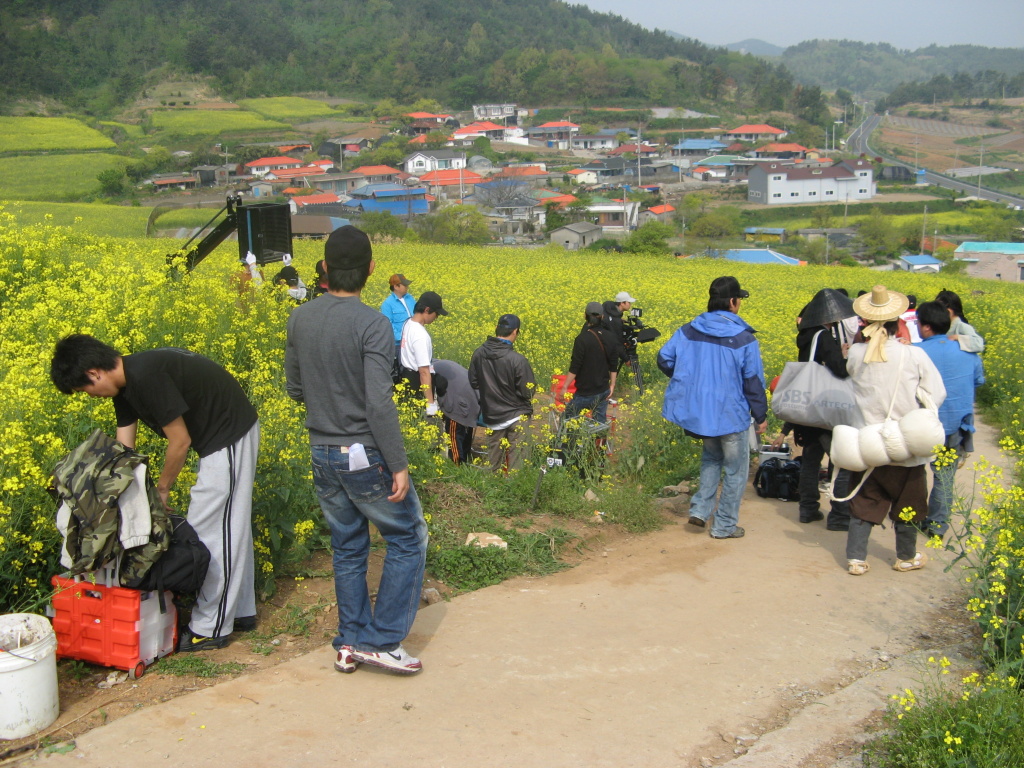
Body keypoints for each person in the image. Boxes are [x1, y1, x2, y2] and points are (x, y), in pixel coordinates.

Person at [49, 335, 260, 651]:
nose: (90, 395)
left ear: (94, 373)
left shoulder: (146, 376)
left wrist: (161, 490)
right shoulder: (126, 382)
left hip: (228, 435)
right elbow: (124, 450)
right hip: (220, 437)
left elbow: (180, 441)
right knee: (228, 528)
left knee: (210, 532)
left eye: (85, 390)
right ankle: (240, 612)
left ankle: (211, 628)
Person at [285, 225, 427, 675]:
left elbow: (293, 389)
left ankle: (349, 641)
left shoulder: (300, 318)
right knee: (408, 537)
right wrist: (399, 464)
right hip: (363, 452)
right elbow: (378, 402)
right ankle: (383, 640)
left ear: (324, 268)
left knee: (347, 546)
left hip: (321, 451)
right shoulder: (373, 323)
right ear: (371, 269)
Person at [843, 285, 946, 576]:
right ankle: (905, 556)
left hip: (868, 443)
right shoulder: (912, 356)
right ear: (898, 321)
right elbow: (936, 394)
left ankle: (856, 558)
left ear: (864, 322)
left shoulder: (856, 354)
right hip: (905, 444)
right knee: (908, 503)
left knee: (864, 500)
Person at [658, 276, 767, 540]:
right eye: (739, 299)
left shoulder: (688, 330)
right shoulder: (743, 338)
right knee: (735, 469)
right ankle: (724, 525)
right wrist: (760, 415)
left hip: (701, 413)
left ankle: (700, 510)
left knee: (711, 458)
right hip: (731, 415)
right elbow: (752, 381)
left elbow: (664, 358)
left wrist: (689, 379)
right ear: (732, 301)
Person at [772, 288, 854, 530]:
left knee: (810, 460)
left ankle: (808, 509)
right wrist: (845, 356)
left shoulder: (807, 336)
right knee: (840, 463)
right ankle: (839, 516)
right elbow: (840, 370)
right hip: (824, 408)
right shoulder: (824, 336)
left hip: (807, 407)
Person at [914, 300, 985, 538]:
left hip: (921, 424)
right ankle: (937, 526)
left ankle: (912, 517)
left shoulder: (915, 352)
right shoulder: (968, 353)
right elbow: (978, 381)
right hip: (955, 424)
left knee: (914, 471)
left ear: (925, 327)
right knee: (944, 476)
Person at [468, 314, 537, 472]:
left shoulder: (479, 353)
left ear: (496, 329)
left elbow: (473, 382)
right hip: (516, 415)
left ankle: (493, 494)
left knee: (493, 465)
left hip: (492, 416)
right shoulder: (517, 360)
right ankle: (514, 493)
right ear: (515, 332)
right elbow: (528, 391)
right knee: (517, 465)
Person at [557, 302, 619, 425]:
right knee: (598, 424)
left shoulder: (582, 339)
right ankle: (598, 443)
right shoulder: (611, 337)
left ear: (585, 316)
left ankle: (567, 443)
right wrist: (612, 385)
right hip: (603, 390)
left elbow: (575, 367)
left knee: (567, 422)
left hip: (585, 392)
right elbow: (613, 365)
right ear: (602, 317)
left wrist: (564, 387)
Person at [398, 290, 449, 415]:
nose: (436, 318)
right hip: (417, 384)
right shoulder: (420, 335)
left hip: (405, 379)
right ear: (427, 310)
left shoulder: (408, 323)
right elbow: (424, 372)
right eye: (436, 314)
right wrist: (430, 404)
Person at [432, 359, 480, 466]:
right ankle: (465, 459)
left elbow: (439, 389)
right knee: (466, 428)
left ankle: (456, 463)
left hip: (459, 402)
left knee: (453, 434)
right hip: (473, 397)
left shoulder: (430, 370)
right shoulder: (443, 364)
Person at [381, 274, 415, 367]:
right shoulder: (387, 304)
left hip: (413, 341)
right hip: (399, 346)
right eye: (404, 285)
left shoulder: (410, 298)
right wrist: (403, 338)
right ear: (396, 286)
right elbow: (388, 325)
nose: (407, 287)